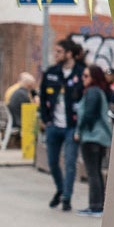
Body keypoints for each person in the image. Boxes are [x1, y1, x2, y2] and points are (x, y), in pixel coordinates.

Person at [38, 40, 86, 209]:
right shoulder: (51, 73)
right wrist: (46, 120)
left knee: (70, 162)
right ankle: (60, 188)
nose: (55, 54)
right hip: (54, 126)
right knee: (52, 162)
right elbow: (42, 97)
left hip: (72, 126)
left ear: (69, 53)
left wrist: (81, 126)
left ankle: (66, 197)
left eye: (59, 51)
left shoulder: (81, 73)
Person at [76, 66, 114, 219]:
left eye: (86, 76)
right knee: (96, 172)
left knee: (93, 172)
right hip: (100, 138)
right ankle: (98, 205)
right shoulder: (99, 91)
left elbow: (89, 114)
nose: (83, 79)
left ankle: (95, 205)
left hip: (92, 137)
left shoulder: (92, 92)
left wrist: (79, 131)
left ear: (94, 77)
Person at [4, 71, 36, 154]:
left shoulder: (18, 92)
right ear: (29, 84)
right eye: (32, 84)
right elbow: (31, 109)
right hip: (19, 121)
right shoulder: (23, 94)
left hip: (14, 119)